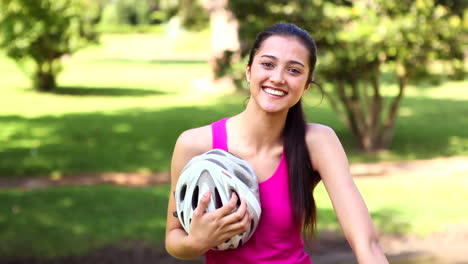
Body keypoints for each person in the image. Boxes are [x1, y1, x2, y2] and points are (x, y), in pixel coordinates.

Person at [165, 23, 389, 264]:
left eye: (294, 70)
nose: (278, 78)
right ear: (249, 71)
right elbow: (173, 237)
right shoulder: (195, 145)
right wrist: (195, 242)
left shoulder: (318, 142)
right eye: (268, 64)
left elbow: (366, 243)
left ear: (306, 85)